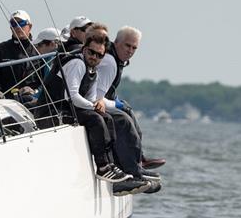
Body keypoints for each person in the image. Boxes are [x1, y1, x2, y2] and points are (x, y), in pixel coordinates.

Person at [44, 30, 150, 195]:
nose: (94, 57)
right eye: (91, 52)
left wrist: (97, 105)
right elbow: (71, 96)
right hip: (53, 109)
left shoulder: (92, 70)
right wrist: (94, 107)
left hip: (68, 107)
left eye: (99, 55)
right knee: (96, 119)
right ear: (84, 49)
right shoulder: (77, 64)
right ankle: (102, 167)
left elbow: (92, 97)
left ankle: (111, 165)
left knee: (106, 118)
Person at [96, 26, 166, 170]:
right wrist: (116, 105)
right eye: (127, 45)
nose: (130, 51)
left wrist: (118, 102)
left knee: (129, 112)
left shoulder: (118, 60)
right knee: (124, 121)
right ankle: (132, 168)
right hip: (95, 104)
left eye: (134, 48)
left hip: (103, 101)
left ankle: (140, 158)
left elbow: (108, 90)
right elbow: (97, 97)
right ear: (116, 43)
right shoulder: (110, 62)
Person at [0, 10, 41, 100]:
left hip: (34, 99)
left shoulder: (39, 50)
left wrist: (35, 90)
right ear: (10, 28)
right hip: (7, 101)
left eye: (21, 23)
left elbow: (47, 77)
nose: (17, 27)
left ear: (30, 26)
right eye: (13, 24)